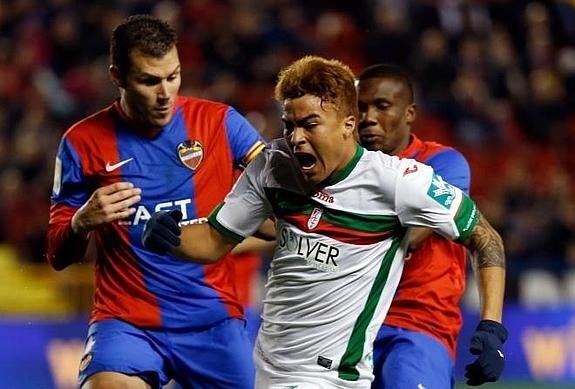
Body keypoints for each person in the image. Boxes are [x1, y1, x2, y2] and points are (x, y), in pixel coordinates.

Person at [141, 55, 507, 389]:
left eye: (310, 125)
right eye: (289, 125)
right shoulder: (273, 166)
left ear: (348, 125)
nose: (296, 138)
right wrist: (169, 236)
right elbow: (212, 240)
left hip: (343, 370)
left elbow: (484, 237)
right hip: (267, 371)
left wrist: (491, 327)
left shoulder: (400, 181)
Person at [44, 14, 267, 389]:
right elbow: (56, 254)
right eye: (149, 81)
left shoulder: (220, 123)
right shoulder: (82, 142)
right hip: (127, 321)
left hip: (211, 319)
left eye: (173, 76)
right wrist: (82, 221)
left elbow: (281, 195)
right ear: (117, 77)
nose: (166, 93)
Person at [356, 63, 508, 388]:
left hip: (414, 328)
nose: (368, 117)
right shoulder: (342, 170)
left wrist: (491, 328)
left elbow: (411, 235)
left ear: (409, 113)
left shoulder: (441, 165)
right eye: (361, 108)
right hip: (347, 327)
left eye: (382, 106)